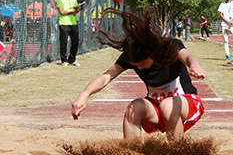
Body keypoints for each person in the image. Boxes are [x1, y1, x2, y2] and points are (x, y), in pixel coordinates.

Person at [71, 9, 206, 140]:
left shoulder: (168, 46)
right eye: (136, 65)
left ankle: (177, 150)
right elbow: (107, 76)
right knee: (133, 108)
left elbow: (188, 56)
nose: (140, 67)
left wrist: (195, 66)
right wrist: (85, 94)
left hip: (187, 104)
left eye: (143, 63)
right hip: (157, 108)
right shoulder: (132, 54)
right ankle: (132, 151)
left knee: (167, 105)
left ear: (151, 53)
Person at [57, 0, 81, 66]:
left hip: (73, 22)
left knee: (75, 41)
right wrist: (71, 12)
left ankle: (72, 59)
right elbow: (62, 12)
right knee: (64, 42)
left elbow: (76, 10)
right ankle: (64, 60)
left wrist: (77, 9)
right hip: (63, 23)